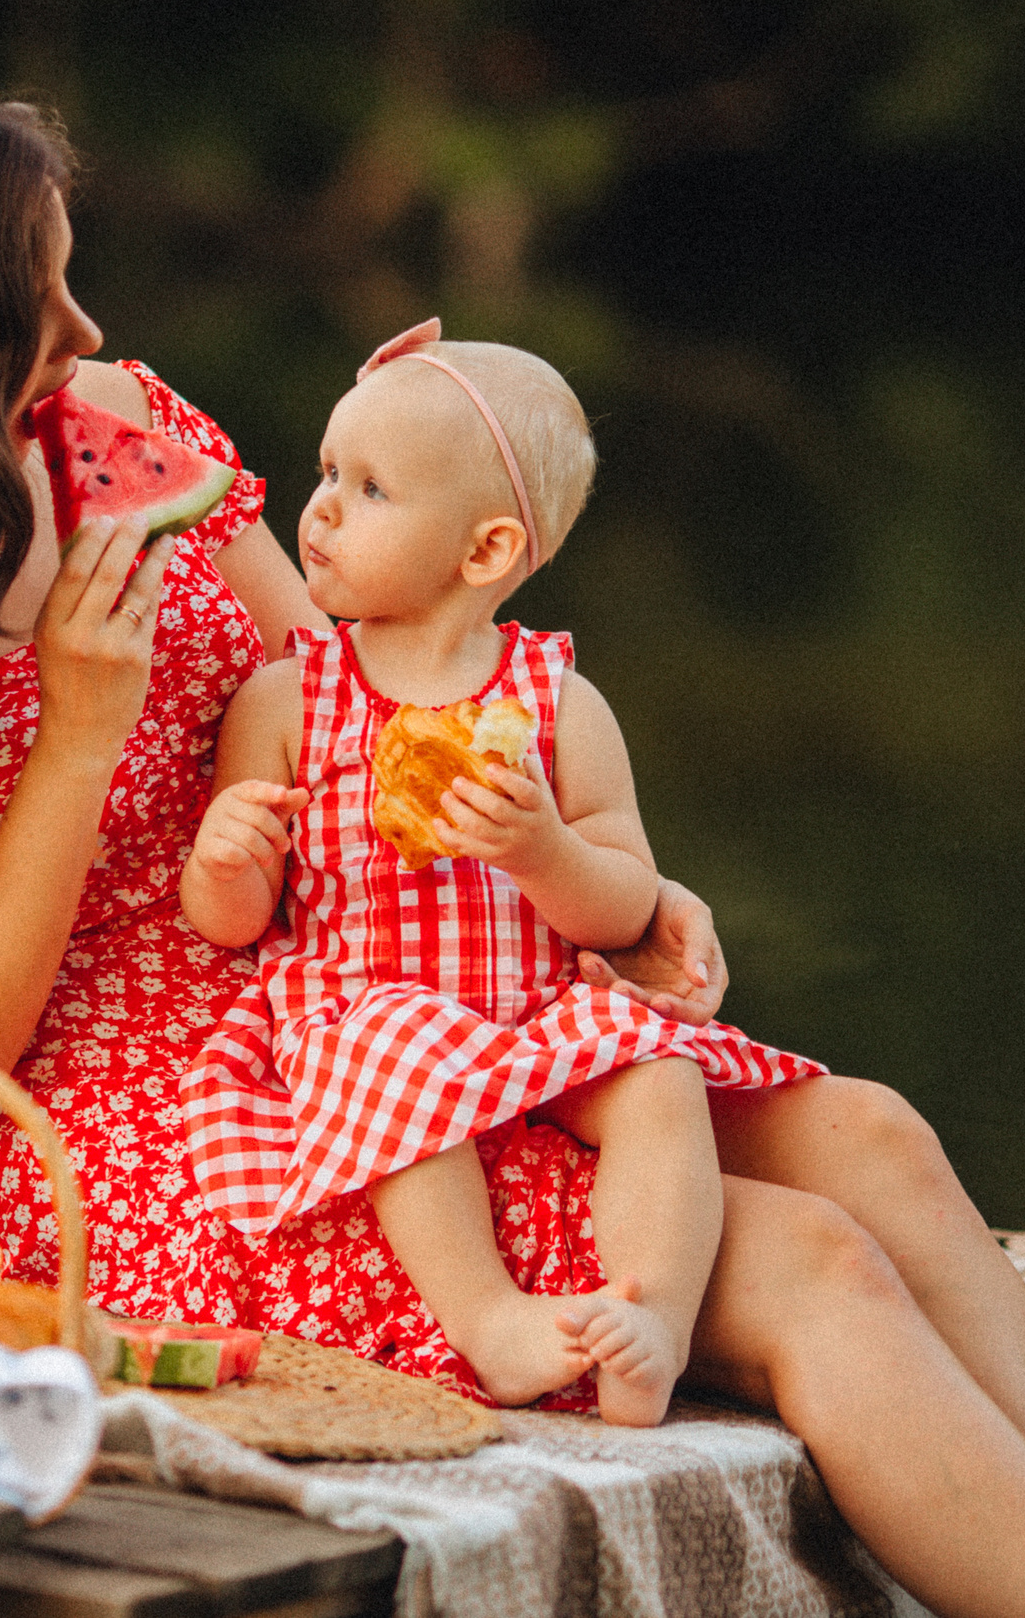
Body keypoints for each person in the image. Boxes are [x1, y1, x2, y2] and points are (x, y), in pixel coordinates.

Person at [0, 65, 1025, 1618]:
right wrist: (79, 735)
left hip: (363, 985)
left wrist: (591, 879)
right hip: (148, 1141)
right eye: (36, 296)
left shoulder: (106, 432)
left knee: (870, 1138)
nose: (83, 327)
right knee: (808, 1267)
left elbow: (353, 694)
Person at [178, 325, 824, 1424]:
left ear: (483, 553)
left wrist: (542, 851)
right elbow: (231, 926)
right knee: (398, 1072)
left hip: (529, 1007)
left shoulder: (557, 705)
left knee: (659, 1074)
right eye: (329, 471)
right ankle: (494, 1324)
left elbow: (626, 904)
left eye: (370, 489)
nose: (321, 508)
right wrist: (225, 857)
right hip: (364, 1009)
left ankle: (648, 1322)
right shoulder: (291, 699)